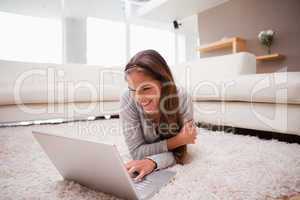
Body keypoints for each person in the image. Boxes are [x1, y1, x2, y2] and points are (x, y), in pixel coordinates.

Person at [119, 49, 197, 181]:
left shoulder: (182, 97)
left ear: (164, 83)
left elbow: (180, 153)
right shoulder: (127, 98)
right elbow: (136, 152)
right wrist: (178, 140)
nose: (139, 98)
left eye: (146, 88)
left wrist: (152, 162)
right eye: (133, 90)